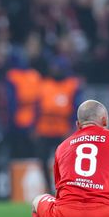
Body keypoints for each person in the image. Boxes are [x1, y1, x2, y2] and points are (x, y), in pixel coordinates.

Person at [35, 57, 82, 192]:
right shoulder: (44, 84)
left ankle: (64, 187)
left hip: (63, 131)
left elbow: (76, 107)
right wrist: (35, 126)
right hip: (44, 129)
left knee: (65, 162)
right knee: (43, 161)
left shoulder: (72, 85)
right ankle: (48, 188)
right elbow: (36, 108)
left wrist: (73, 127)